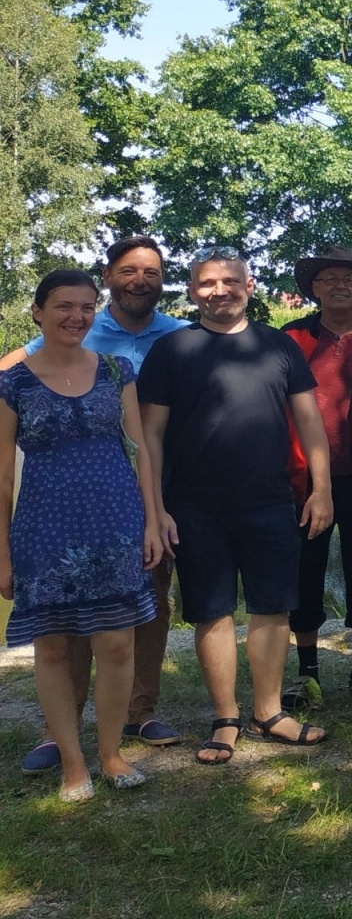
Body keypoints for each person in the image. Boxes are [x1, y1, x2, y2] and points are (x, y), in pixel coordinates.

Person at [138, 247, 334, 764]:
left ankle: (269, 711)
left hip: (270, 500)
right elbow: (150, 437)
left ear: (249, 286)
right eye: (206, 283)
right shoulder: (172, 350)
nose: (218, 290)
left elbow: (310, 423)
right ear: (192, 290)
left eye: (229, 281)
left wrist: (321, 488)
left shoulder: (279, 347)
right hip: (193, 506)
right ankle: (225, 716)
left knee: (273, 607)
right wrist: (154, 508)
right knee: (211, 612)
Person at [0, 236, 187, 774]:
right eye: (63, 306)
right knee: (56, 644)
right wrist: (4, 553)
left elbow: (141, 451)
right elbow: (1, 474)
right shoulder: (15, 380)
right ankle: (67, 751)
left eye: (84, 308)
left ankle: (122, 739)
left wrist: (154, 519)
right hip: (45, 527)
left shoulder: (131, 362)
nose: (76, 316)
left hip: (118, 520)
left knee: (124, 637)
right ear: (37, 312)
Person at [280, 246, 352, 711]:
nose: (340, 284)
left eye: (350, 278)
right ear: (315, 288)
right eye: (329, 277)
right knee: (304, 571)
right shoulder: (290, 338)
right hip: (305, 478)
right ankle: (307, 673)